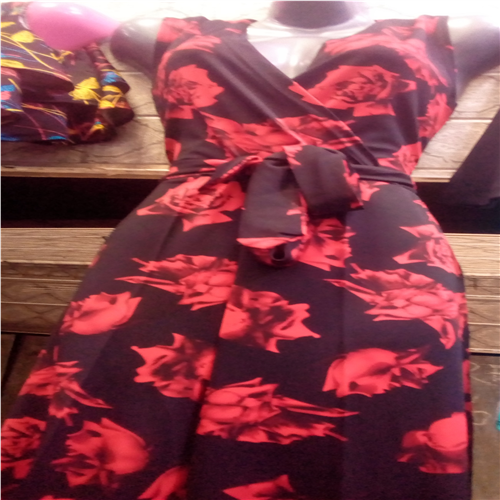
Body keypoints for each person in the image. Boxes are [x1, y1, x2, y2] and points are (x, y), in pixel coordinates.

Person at [0, 1, 498, 499]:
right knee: (123, 410)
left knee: (368, 423)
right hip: (180, 246)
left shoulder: (464, 32)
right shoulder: (155, 31)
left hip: (377, 255)